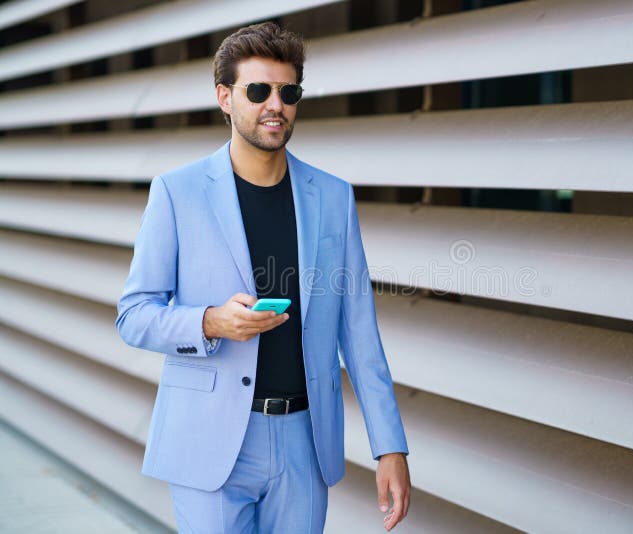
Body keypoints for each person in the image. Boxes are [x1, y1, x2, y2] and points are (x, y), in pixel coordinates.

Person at [115, 21, 411, 533]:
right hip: (208, 443)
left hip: (305, 442)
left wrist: (390, 447)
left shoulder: (334, 197)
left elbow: (361, 334)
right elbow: (133, 315)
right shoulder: (176, 192)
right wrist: (209, 322)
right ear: (225, 98)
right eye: (258, 91)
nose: (276, 104)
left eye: (288, 91)